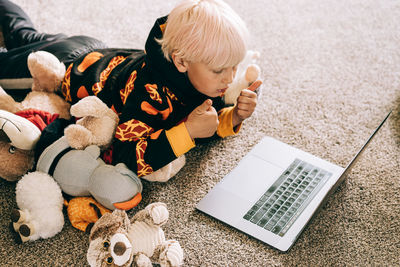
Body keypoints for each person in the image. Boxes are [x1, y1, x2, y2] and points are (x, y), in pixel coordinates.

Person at [0, 0, 261, 178]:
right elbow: (125, 157)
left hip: (93, 48)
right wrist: (188, 131)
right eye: (219, 70)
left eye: (234, 67)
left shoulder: (201, 76)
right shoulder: (149, 94)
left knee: (24, 34)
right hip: (67, 67)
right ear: (181, 61)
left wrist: (234, 116)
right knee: (12, 56)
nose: (229, 79)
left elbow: (208, 118)